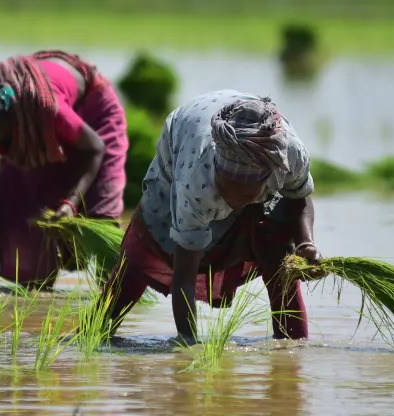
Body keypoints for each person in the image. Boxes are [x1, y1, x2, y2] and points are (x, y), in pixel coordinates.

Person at [99, 89, 321, 344]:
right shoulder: (196, 180)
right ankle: (94, 333)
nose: (233, 201)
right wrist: (188, 343)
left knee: (279, 254)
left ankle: (292, 347)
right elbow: (183, 277)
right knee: (144, 250)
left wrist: (307, 244)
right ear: (217, 172)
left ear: (267, 179)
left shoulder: (290, 156)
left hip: (251, 141)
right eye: (226, 189)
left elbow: (299, 198)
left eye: (244, 195)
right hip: (183, 142)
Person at [0, 50, 129, 292]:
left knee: (101, 217)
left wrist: (71, 202)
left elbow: (95, 148)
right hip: (33, 124)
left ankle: (117, 301)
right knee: (12, 216)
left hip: (92, 112)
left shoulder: (47, 110)